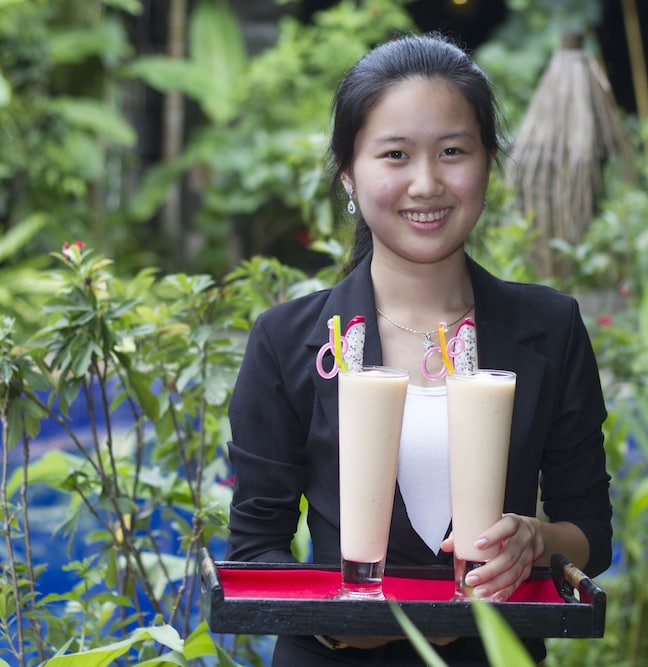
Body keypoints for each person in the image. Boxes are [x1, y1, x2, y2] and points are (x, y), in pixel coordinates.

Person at [226, 32, 612, 666]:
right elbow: (254, 550)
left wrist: (536, 540)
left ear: (488, 161)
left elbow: (591, 531)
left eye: (453, 151)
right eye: (396, 154)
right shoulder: (289, 341)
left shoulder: (549, 328)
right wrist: (342, 624)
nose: (427, 183)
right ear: (349, 171)